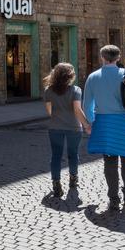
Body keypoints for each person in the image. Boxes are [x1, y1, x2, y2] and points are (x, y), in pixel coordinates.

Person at [83, 45, 125, 211]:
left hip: (104, 122)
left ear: (102, 57)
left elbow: (87, 105)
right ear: (118, 58)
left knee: (110, 160)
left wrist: (91, 122)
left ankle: (113, 198)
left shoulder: (93, 77)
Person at [43, 63, 91, 198]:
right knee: (73, 154)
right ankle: (73, 179)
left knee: (56, 156)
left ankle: (56, 183)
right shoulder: (76, 90)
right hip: (73, 128)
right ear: (70, 76)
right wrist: (87, 125)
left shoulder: (48, 90)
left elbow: (49, 111)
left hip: (55, 127)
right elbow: (77, 110)